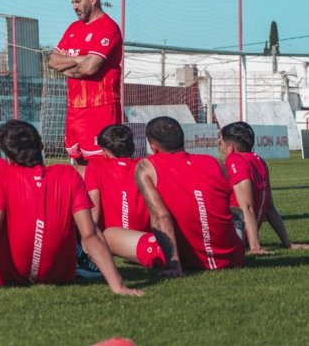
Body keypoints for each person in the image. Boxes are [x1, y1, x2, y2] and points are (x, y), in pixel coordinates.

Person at [0, 120, 142, 297]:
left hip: (10, 275)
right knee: (79, 224)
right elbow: (90, 235)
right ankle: (85, 263)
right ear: (41, 147)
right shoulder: (68, 174)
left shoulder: (3, 176)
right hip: (58, 275)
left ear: (8, 156)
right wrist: (118, 286)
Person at [128, 117, 244, 275]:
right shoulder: (215, 162)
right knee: (233, 213)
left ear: (153, 147)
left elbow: (161, 217)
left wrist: (173, 265)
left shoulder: (147, 166)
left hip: (187, 258)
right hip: (232, 257)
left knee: (110, 235)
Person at [48, 0, 122, 170]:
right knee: (78, 161)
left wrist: (72, 66)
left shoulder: (108, 27)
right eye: (72, 3)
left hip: (100, 106)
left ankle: (104, 200)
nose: (75, 7)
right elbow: (53, 61)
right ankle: (85, 200)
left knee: (102, 165)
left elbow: (90, 68)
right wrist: (82, 59)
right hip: (74, 107)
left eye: (78, 2)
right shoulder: (73, 28)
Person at [220, 121, 308, 253]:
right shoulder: (259, 161)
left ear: (230, 147)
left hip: (232, 237)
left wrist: (255, 247)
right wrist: (288, 243)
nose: (220, 148)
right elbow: (269, 208)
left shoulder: (234, 160)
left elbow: (247, 207)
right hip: (241, 237)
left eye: (221, 144)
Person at [85, 125, 160, 268]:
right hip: (141, 236)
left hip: (111, 238)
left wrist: (90, 240)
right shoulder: (145, 165)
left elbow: (94, 207)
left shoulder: (95, 165)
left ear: (106, 152)